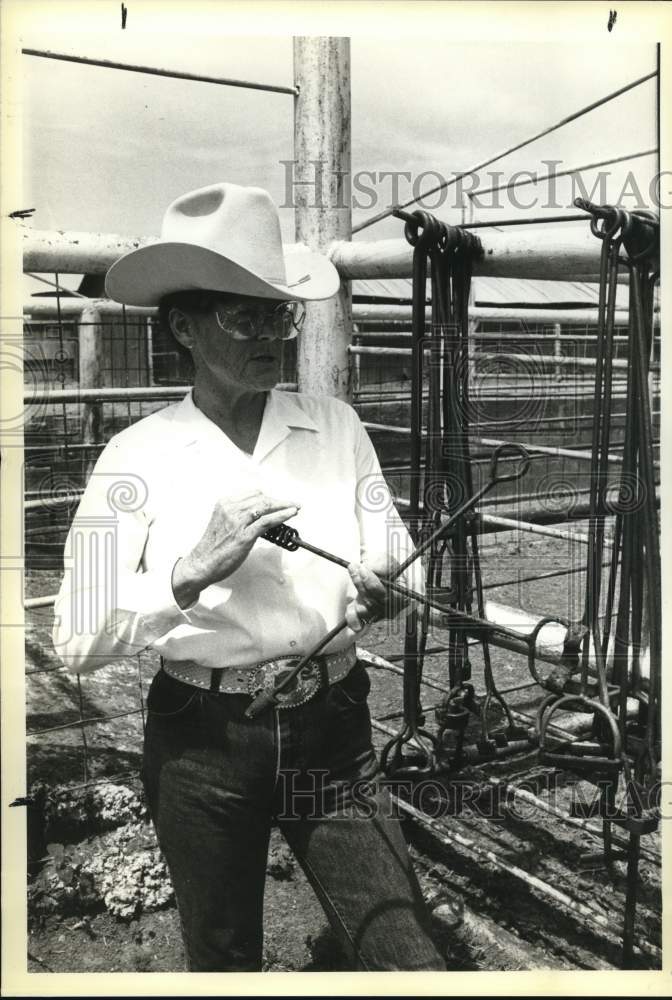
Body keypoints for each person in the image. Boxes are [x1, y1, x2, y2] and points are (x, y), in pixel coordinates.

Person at [53, 182, 445, 972]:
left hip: (334, 728)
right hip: (202, 742)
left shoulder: (336, 426)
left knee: (407, 959)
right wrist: (189, 572)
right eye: (245, 316)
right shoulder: (132, 458)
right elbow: (73, 636)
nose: (272, 335)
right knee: (224, 958)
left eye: (281, 314)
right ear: (184, 328)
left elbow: (400, 555)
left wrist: (389, 587)